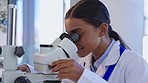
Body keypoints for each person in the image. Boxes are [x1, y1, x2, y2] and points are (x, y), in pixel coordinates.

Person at [17, 0, 148, 83]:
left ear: (102, 30)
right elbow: (56, 77)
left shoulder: (133, 64)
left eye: (77, 34)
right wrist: (32, 72)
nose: (72, 42)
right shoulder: (82, 62)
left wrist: (82, 76)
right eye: (69, 35)